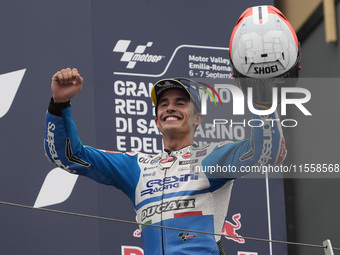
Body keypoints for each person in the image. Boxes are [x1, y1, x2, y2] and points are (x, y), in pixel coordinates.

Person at [44, 5, 299, 255]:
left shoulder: (212, 158)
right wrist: (59, 104)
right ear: (156, 121)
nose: (170, 108)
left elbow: (268, 153)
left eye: (180, 102)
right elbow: (68, 156)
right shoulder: (137, 167)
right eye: (163, 104)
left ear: (198, 118)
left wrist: (261, 100)